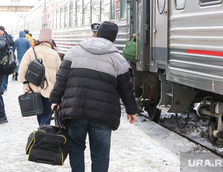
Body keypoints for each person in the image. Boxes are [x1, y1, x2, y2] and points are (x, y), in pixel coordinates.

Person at [49, 21, 137, 172]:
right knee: (100, 154)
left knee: (76, 148)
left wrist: (55, 100)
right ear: (113, 39)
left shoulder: (74, 51)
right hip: (103, 115)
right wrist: (131, 110)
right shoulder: (118, 59)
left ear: (97, 33)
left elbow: (61, 78)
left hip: (75, 110)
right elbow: (126, 89)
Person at [18, 28, 61, 125]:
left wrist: (25, 83)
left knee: (38, 111)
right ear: (50, 40)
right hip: (49, 89)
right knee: (47, 113)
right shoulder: (54, 53)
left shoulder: (31, 51)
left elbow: (22, 69)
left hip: (34, 87)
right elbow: (60, 73)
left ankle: (41, 131)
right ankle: (44, 132)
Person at [0, 26, 15, 92]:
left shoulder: (8, 36)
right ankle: (2, 88)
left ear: (3, 31)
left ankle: (4, 86)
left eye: (1, 31)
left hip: (6, 57)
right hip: (0, 58)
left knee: (6, 73)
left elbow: (13, 44)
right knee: (2, 73)